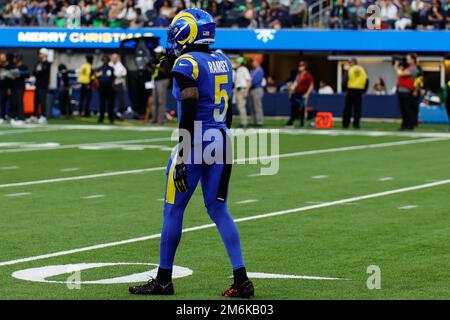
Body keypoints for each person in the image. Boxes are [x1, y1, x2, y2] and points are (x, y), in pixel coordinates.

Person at [129, 8, 254, 299]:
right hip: (222, 139)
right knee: (219, 209)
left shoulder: (187, 63)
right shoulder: (222, 59)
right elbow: (229, 109)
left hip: (196, 143)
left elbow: (187, 111)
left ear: (187, 32)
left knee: (173, 209)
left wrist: (184, 155)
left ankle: (163, 280)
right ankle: (242, 280)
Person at [395, 54, 420, 130]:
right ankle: (404, 125)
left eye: (408, 59)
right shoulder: (407, 68)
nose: (407, 60)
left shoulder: (414, 68)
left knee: (407, 109)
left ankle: (410, 125)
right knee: (403, 109)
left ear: (413, 60)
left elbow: (400, 74)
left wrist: (396, 66)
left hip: (407, 91)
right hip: (401, 91)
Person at [285, 60, 314, 127]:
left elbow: (311, 85)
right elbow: (294, 84)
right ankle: (291, 122)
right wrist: (291, 92)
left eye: (302, 66)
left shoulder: (308, 75)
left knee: (303, 108)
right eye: (299, 66)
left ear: (305, 67)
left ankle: (302, 123)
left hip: (303, 94)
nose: (300, 67)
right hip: (297, 93)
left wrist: (307, 94)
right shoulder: (298, 75)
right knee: (294, 107)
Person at [342, 58, 368, 129]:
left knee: (348, 108)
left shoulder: (349, 70)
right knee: (357, 108)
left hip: (350, 90)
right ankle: (356, 124)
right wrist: (364, 91)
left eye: (350, 63)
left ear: (353, 63)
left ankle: (345, 124)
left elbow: (345, 80)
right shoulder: (362, 69)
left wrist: (344, 90)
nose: (349, 64)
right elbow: (366, 80)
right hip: (359, 90)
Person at [32, 48, 51, 124]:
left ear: (45, 54)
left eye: (41, 53)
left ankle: (43, 116)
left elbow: (43, 72)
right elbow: (34, 72)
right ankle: (34, 116)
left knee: (42, 101)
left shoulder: (47, 64)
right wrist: (38, 71)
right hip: (38, 84)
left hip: (43, 85)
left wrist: (39, 71)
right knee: (36, 101)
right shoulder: (38, 63)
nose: (39, 55)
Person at [152, 46, 170, 125]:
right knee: (154, 101)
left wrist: (155, 66)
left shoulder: (165, 60)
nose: (156, 53)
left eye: (157, 52)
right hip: (156, 80)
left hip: (162, 81)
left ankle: (161, 120)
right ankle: (154, 119)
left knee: (161, 101)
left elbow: (165, 71)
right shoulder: (157, 60)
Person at [10, 54, 29, 126]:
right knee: (14, 103)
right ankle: (14, 117)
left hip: (20, 87)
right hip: (13, 87)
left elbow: (27, 74)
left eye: (15, 58)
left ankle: (21, 118)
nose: (14, 59)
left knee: (20, 102)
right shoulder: (13, 66)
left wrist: (19, 73)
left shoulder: (23, 67)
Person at [96, 54, 116, 124]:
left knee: (110, 104)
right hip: (102, 87)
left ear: (108, 61)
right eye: (104, 59)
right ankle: (101, 118)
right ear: (102, 61)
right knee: (102, 104)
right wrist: (98, 85)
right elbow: (97, 78)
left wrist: (113, 87)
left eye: (106, 60)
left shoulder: (111, 69)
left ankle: (111, 118)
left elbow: (113, 79)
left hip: (109, 87)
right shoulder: (99, 69)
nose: (105, 61)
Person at [233, 56, 251, 128]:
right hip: (238, 89)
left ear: (240, 63)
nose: (236, 63)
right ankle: (243, 122)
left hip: (242, 89)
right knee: (239, 107)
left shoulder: (244, 69)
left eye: (237, 62)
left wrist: (246, 90)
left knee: (241, 107)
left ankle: (244, 123)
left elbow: (249, 80)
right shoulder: (238, 70)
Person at [109, 53, 127, 119]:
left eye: (116, 58)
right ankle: (111, 112)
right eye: (113, 58)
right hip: (111, 84)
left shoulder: (120, 65)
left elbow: (125, 73)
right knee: (111, 99)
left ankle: (120, 112)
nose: (115, 59)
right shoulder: (109, 64)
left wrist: (119, 76)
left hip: (118, 84)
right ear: (111, 58)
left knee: (121, 99)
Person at [249, 56, 265, 127]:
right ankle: (254, 121)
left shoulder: (260, 70)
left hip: (257, 89)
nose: (253, 63)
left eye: (254, 61)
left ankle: (259, 122)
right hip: (252, 89)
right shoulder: (252, 70)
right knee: (252, 107)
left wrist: (248, 85)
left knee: (257, 106)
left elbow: (255, 81)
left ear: (258, 62)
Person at [0, 53, 13, 125]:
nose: (1, 59)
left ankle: (12, 116)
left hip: (9, 87)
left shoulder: (10, 66)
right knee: (1, 102)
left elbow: (11, 78)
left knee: (11, 102)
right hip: (1, 87)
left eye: (2, 57)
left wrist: (9, 88)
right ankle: (2, 117)